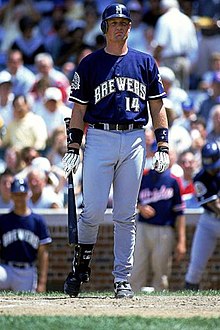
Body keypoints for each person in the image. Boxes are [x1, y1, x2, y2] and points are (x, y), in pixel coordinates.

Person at [62, 3, 170, 299]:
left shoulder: (145, 62)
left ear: (130, 27)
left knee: (126, 214)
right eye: (114, 23)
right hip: (99, 136)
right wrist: (74, 144)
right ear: (105, 28)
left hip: (135, 138)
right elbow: (79, 109)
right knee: (93, 211)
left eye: (124, 22)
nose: (120, 27)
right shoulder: (90, 64)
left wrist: (163, 144)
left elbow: (157, 106)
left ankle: (122, 279)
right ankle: (80, 267)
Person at [130, 168, 186, 292]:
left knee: (161, 271)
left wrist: (181, 241)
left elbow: (180, 213)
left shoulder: (173, 179)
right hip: (143, 228)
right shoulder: (143, 177)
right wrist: (140, 207)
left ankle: (160, 304)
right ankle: (131, 298)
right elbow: (129, 198)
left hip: (164, 229)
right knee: (136, 268)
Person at [0, 177, 52, 292]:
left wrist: (42, 282)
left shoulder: (37, 221)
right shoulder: (3, 220)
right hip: (6, 268)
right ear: (11, 195)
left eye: (22, 194)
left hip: (27, 271)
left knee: (28, 303)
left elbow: (43, 253)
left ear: (28, 194)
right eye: (16, 194)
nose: (19, 198)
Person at [185, 141, 220, 290]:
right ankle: (189, 304)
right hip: (209, 221)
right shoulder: (200, 178)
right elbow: (216, 206)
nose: (212, 170)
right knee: (196, 267)